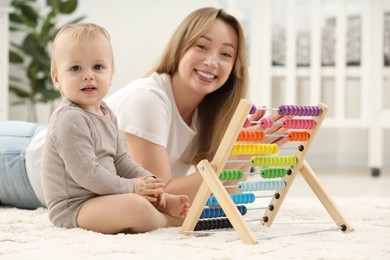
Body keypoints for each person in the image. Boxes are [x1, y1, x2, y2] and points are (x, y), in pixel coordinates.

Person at [105, 7, 284, 203]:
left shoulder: (207, 111)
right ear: (181, 47)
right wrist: (233, 159)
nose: (211, 62)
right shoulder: (146, 100)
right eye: (201, 46)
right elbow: (158, 199)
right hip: (87, 204)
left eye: (225, 54)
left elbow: (230, 201)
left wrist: (243, 149)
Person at [41, 22, 190, 234]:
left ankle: (161, 202)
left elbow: (121, 160)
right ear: (57, 78)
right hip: (75, 207)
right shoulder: (69, 119)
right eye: (75, 68)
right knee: (134, 205)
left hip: (103, 195)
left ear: (111, 74)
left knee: (141, 194)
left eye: (98, 67)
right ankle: (168, 221)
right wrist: (132, 187)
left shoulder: (107, 113)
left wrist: (149, 181)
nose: (88, 75)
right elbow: (88, 174)